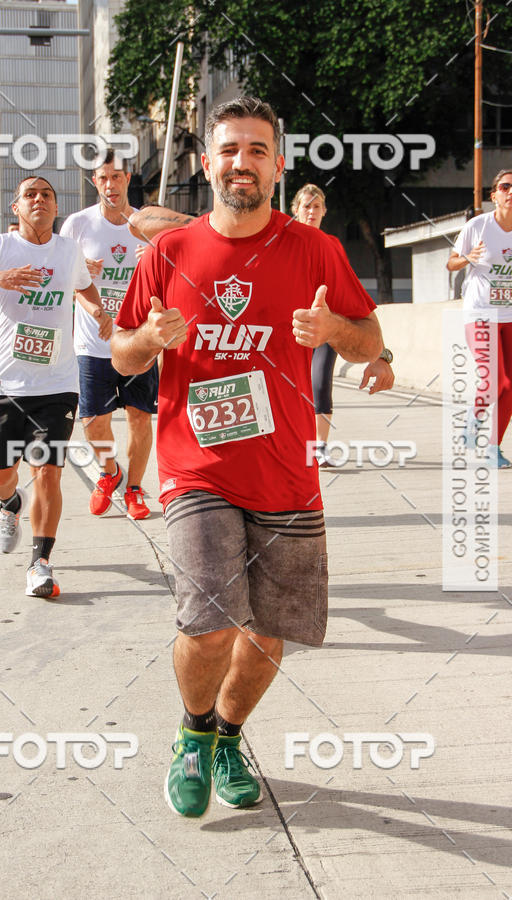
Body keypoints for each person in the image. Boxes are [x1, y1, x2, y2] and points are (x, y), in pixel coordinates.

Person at [111, 97, 384, 818]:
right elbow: (121, 348)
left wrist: (333, 329)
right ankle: (192, 735)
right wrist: (150, 343)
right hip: (197, 467)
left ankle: (228, 737)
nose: (243, 162)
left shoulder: (316, 250)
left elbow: (370, 339)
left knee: (268, 635)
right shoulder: (168, 253)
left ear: (278, 163)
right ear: (208, 164)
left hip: (288, 475)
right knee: (210, 623)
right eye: (229, 149)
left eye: (257, 150)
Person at [0, 176, 112, 597]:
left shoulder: (67, 250)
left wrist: (97, 310)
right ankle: (9, 504)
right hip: (4, 383)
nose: (39, 199)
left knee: (48, 473)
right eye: (30, 195)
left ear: (56, 207)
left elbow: (83, 286)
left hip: (57, 384)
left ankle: (40, 562)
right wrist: (0, 277)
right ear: (16, 207)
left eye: (47, 194)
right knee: (2, 476)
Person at [60, 151, 157, 520]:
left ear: (128, 178)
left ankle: (134, 488)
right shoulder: (77, 224)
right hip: (92, 341)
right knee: (93, 421)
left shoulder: (146, 223)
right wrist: (80, 268)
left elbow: (176, 270)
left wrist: (156, 254)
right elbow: (62, 278)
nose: (110, 184)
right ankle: (109, 472)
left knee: (139, 417)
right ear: (94, 182)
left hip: (137, 339)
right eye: (103, 178)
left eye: (116, 177)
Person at [291, 184, 395, 466]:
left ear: (324, 211)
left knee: (320, 383)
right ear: (295, 210)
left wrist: (380, 355)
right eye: (306, 206)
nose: (311, 211)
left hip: (326, 328)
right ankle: (292, 445)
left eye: (316, 206)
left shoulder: (331, 245)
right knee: (292, 390)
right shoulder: (282, 242)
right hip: (292, 331)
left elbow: (357, 303)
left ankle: (319, 448)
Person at [447, 168, 512, 468]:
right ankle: (471, 424)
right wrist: (469, 257)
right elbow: (451, 263)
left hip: (509, 315)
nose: (510, 192)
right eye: (505, 186)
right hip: (480, 313)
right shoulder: (478, 226)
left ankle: (492, 448)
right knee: (495, 382)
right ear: (494, 194)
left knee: (510, 386)